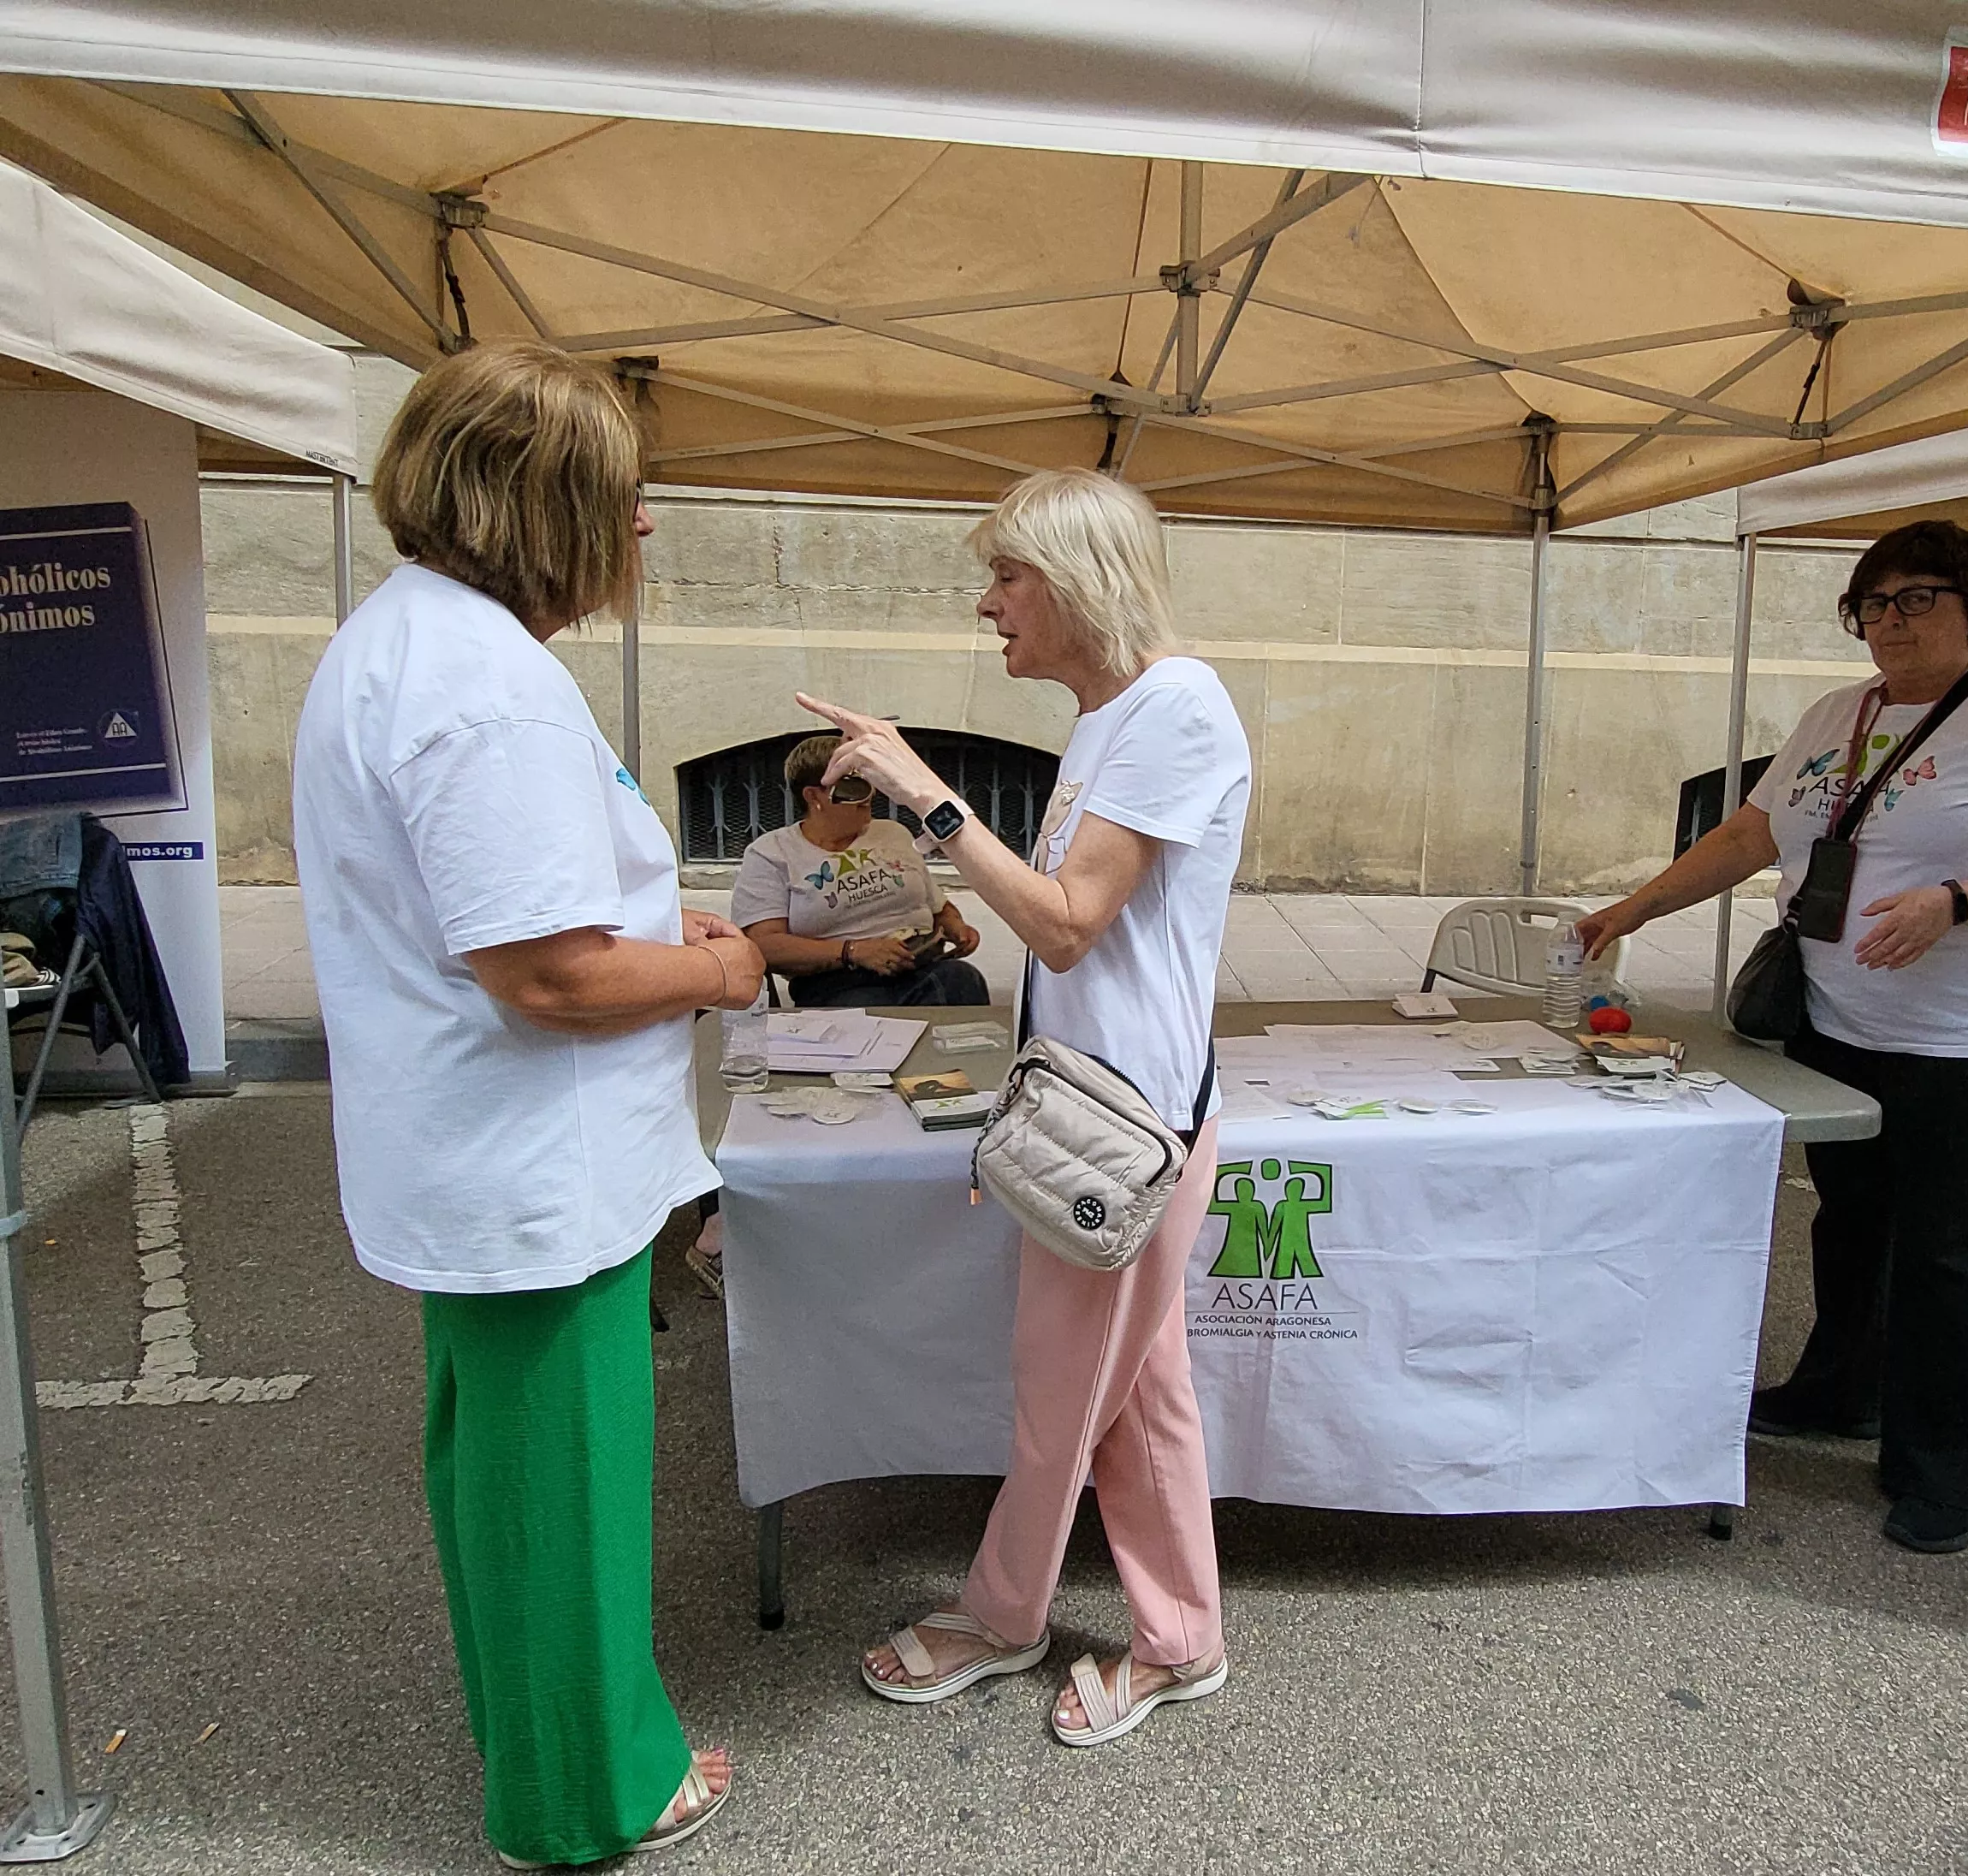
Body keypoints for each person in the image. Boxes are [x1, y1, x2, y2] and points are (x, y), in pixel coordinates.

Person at [291, 341, 756, 1867]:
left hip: (483, 1161)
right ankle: (586, 1796)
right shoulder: (486, 685)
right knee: (562, 1493)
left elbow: (520, 926)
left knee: (508, 1483)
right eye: (621, 501)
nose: (638, 533)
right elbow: (548, 978)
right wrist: (719, 970)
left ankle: (550, 1744)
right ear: (541, 502)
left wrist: (651, 937)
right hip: (531, 1170)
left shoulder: (414, 642)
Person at [1576, 519, 1968, 1556]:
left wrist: (1956, 900)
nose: (1890, 621)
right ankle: (1843, 1390)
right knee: (1852, 1219)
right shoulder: (1840, 713)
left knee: (1945, 1247)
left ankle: (1952, 1473)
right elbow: (1753, 835)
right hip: (1837, 1018)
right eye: (1872, 604)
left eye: (1916, 598)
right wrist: (1636, 908)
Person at [804, 468, 1251, 1745]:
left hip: (1131, 1129)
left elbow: (1063, 930)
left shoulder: (1175, 707)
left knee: (1063, 1394)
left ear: (1076, 581)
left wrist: (927, 797)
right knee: (1137, 1389)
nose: (987, 604)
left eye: (1007, 576)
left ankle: (1003, 1617)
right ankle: (1180, 1639)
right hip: (1101, 1118)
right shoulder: (1118, 714)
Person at [730, 733, 989, 1007]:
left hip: (919, 962)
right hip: (837, 979)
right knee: (875, 1015)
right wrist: (852, 951)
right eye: (852, 787)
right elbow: (765, 945)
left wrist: (956, 926)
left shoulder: (893, 834)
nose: (869, 796)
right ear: (813, 796)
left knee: (962, 981)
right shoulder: (772, 854)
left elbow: (938, 907)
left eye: (871, 781)